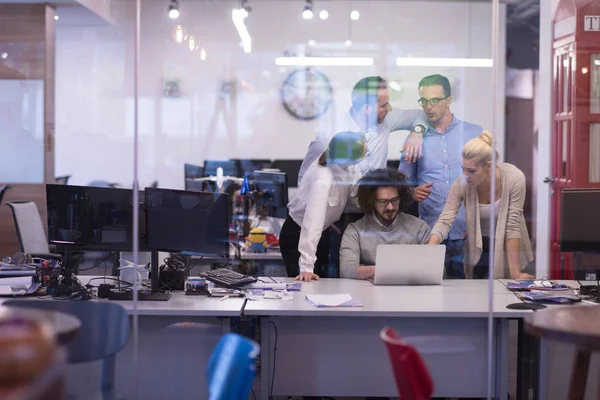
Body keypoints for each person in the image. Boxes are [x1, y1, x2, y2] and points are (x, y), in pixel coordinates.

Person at [399, 74, 483, 279]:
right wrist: (411, 192)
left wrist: (475, 225)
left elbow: (489, 185)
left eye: (435, 100)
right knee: (431, 298)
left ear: (449, 100)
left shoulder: (474, 133)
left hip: (467, 234)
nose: (429, 106)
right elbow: (401, 183)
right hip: (430, 233)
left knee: (468, 299)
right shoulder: (415, 140)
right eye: (424, 100)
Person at [427, 131, 535, 280]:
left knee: (506, 294)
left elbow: (512, 226)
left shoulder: (514, 178)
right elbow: (445, 220)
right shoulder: (462, 183)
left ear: (489, 166)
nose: (465, 175)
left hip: (510, 250)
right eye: (462, 168)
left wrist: (515, 273)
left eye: (471, 171)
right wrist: (428, 252)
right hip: (478, 247)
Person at [298, 76, 427, 184]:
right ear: (366, 109)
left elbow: (420, 115)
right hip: (340, 211)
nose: (389, 108)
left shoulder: (387, 119)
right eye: (383, 105)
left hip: (375, 210)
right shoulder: (329, 136)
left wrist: (417, 132)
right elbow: (304, 178)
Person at [280, 131, 366, 282]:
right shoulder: (323, 179)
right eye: (362, 149)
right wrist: (306, 267)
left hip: (323, 232)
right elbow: (312, 222)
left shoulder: (348, 166)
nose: (367, 150)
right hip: (299, 234)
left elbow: (355, 193)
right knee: (307, 286)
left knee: (323, 284)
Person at [340, 169, 430, 280]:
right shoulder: (355, 230)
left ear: (401, 198)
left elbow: (437, 270)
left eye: (394, 200)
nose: (390, 207)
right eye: (383, 201)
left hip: (411, 295)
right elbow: (346, 270)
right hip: (369, 294)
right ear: (372, 201)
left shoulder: (419, 228)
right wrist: (384, 270)